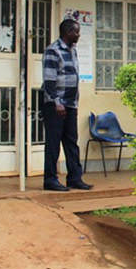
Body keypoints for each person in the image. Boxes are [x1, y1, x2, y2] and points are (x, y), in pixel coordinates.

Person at [41, 18, 90, 191]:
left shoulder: (73, 50)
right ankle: (50, 180)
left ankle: (75, 178)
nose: (78, 35)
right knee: (53, 143)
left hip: (70, 104)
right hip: (55, 105)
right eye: (76, 32)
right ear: (68, 32)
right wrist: (56, 102)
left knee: (71, 142)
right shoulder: (53, 51)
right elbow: (49, 80)